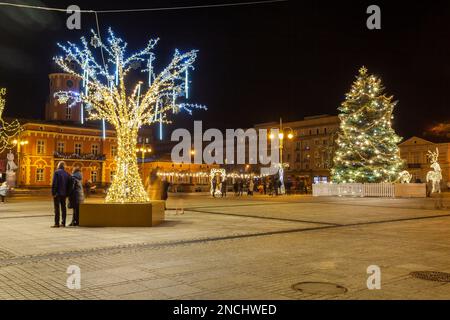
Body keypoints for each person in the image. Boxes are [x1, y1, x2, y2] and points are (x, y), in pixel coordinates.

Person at [51, 161, 72, 228]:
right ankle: (63, 223)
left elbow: (55, 183)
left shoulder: (56, 172)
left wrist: (54, 193)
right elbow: (69, 185)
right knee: (63, 208)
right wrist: (67, 193)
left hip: (57, 194)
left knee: (57, 208)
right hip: (64, 194)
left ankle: (57, 223)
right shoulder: (67, 174)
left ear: (58, 166)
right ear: (64, 167)